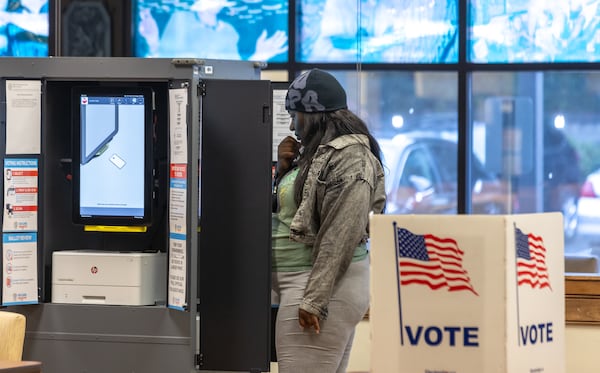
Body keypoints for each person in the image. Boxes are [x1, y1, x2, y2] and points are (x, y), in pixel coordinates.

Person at [271, 69, 386, 372]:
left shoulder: (351, 159)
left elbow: (341, 234)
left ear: (314, 115)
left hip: (319, 287)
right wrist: (283, 170)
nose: (292, 125)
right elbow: (293, 211)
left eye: (295, 115)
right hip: (305, 284)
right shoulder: (314, 153)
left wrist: (314, 300)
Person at [138, 0, 287, 61]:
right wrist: (153, 41)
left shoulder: (229, 32)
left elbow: (232, 78)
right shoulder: (180, 18)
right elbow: (163, 65)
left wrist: (257, 56)